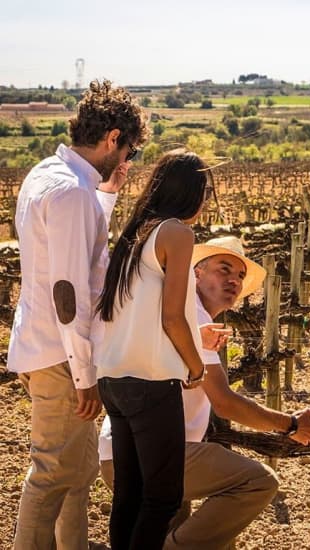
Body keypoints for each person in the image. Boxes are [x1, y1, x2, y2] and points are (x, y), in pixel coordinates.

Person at [98, 235, 310, 550]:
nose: (234, 280)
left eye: (240, 276)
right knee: (257, 482)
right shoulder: (190, 314)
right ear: (196, 273)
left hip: (125, 454)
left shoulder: (182, 311)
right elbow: (224, 403)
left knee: (198, 534)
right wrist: (290, 425)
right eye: (224, 269)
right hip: (153, 456)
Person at [7, 80, 148, 550]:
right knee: (51, 473)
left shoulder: (47, 175)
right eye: (127, 149)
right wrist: (85, 376)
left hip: (43, 345)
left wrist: (106, 195)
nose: (126, 160)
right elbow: (69, 293)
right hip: (63, 356)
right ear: (112, 137)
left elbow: (77, 253)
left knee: (79, 472)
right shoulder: (70, 193)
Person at [96, 149, 212, 550]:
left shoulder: (134, 235)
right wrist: (197, 369)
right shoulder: (177, 234)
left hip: (113, 379)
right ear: (192, 192)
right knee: (162, 498)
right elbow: (173, 318)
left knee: (128, 495)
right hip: (150, 381)